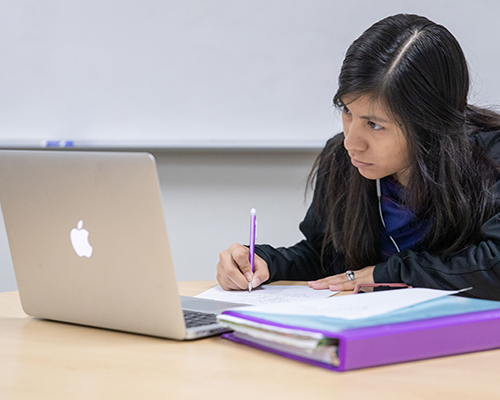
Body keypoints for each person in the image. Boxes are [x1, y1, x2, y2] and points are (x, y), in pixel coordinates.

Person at [216, 13, 500, 300]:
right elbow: (328, 259)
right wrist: (265, 263)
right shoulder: (341, 159)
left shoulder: (492, 157)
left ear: (429, 124)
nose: (351, 142)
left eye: (375, 125)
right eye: (347, 111)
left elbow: (494, 266)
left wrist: (389, 273)